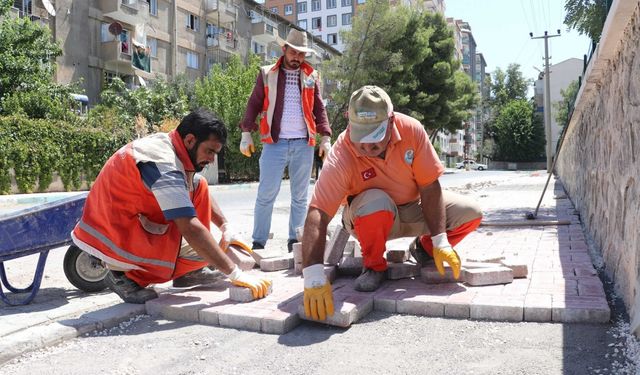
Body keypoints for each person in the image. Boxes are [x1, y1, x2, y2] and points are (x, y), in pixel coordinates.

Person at [301, 86, 483, 320]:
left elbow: (429, 187)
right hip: (367, 217)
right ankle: (374, 266)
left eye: (374, 138)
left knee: (471, 212)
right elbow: (318, 213)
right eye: (361, 139)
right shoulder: (341, 154)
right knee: (376, 200)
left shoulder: (412, 131)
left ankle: (425, 249)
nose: (367, 147)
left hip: (412, 207)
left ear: (391, 121)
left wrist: (441, 241)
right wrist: (314, 276)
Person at [71, 109, 271, 304]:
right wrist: (234, 273)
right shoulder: (162, 163)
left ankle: (188, 272)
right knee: (185, 257)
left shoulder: (173, 147)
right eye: (209, 151)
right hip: (114, 235)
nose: (212, 159)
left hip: (130, 222)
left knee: (199, 187)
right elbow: (190, 227)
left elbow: (195, 190)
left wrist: (225, 226)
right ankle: (122, 275)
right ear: (190, 140)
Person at [239, 28, 332, 253]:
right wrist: (246, 132)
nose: (297, 58)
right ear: (284, 49)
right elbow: (254, 103)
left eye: (302, 54)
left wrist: (326, 137)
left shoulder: (311, 75)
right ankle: (258, 242)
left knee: (300, 197)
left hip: (303, 143)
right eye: (294, 53)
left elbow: (319, 108)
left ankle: (295, 240)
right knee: (266, 194)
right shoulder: (267, 73)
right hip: (274, 143)